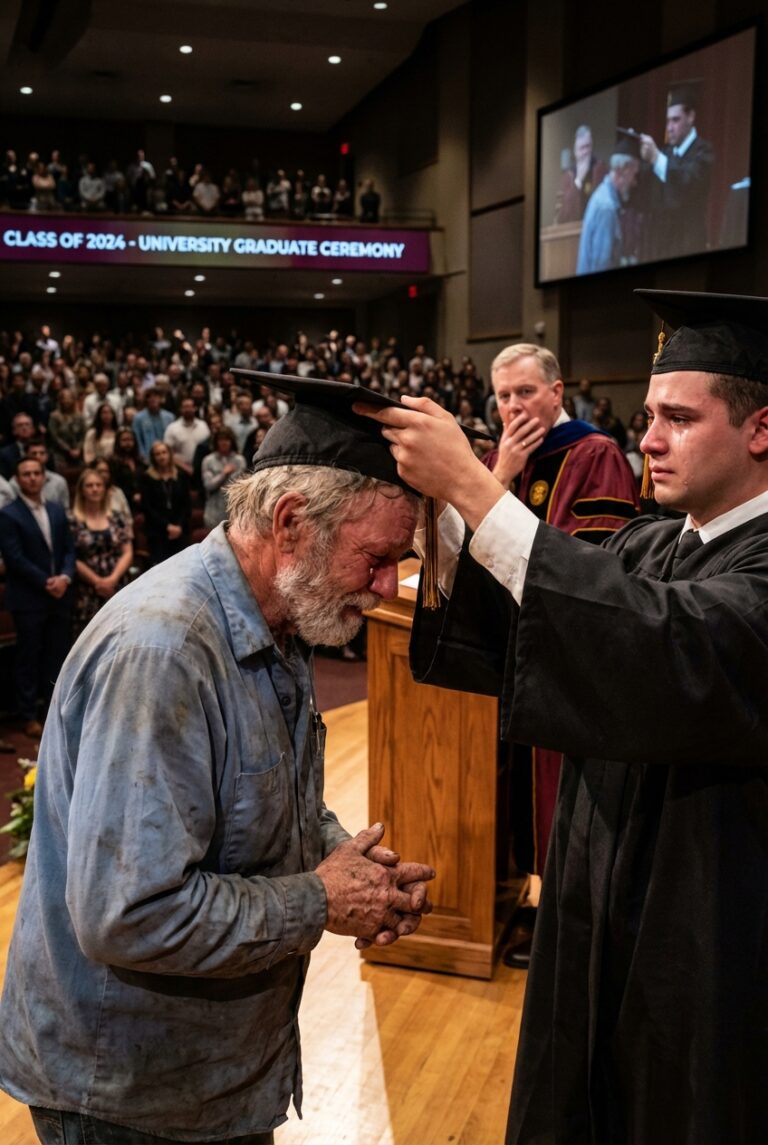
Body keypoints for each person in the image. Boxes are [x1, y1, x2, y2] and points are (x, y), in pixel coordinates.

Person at [356, 288, 768, 1144]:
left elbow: (653, 645)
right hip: (590, 913)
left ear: (761, 429)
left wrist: (474, 483)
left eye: (678, 418)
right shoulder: (656, 542)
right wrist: (450, 506)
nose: (646, 438)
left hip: (703, 927)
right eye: (649, 414)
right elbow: (534, 615)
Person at [0, 377, 434, 1144]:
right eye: (375, 558)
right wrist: (320, 901)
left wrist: (347, 861)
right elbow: (128, 914)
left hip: (211, 1082)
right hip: (130, 1097)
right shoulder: (164, 652)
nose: (383, 586)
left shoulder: (286, 617)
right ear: (291, 521)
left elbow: (254, 798)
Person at [478, 344, 639, 963]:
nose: (514, 406)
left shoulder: (594, 455)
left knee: (560, 788)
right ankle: (540, 901)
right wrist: (504, 470)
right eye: (503, 396)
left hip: (568, 660)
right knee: (524, 791)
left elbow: (589, 567)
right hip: (512, 657)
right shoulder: (500, 459)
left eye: (525, 392)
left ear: (556, 390)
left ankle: (568, 920)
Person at [0, 456, 74, 738]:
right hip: (29, 598)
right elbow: (14, 558)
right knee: (29, 657)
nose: (32, 478)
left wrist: (65, 577)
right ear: (18, 480)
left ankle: (53, 712)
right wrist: (47, 582)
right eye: (26, 474)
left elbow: (69, 549)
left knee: (56, 655)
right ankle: (29, 714)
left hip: (59, 595)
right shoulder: (8, 514)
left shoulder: (55, 509)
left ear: (44, 477)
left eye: (36, 473)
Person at [640, 81, 715, 260]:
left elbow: (685, 183)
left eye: (676, 120)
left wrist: (656, 159)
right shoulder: (665, 152)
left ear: (690, 117)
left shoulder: (704, 152)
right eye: (667, 121)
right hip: (661, 247)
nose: (669, 128)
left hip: (688, 246)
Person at [69, 467, 133, 637]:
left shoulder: (117, 517)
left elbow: (127, 551)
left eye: (98, 485)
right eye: (89, 485)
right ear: (81, 490)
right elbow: (71, 556)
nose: (95, 489)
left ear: (105, 489)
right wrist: (98, 582)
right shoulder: (72, 519)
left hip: (117, 583)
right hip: (87, 588)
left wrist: (112, 579)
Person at [576, 137, 641, 275]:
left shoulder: (602, 195)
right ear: (621, 170)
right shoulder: (607, 208)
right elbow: (601, 267)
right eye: (633, 175)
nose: (634, 182)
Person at [139, 439, 191, 565]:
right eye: (158, 454)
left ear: (169, 454)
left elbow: (186, 505)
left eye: (164, 452)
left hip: (180, 530)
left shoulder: (181, 476)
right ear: (153, 457)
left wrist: (178, 526)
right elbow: (147, 508)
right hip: (158, 532)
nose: (161, 456)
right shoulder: (147, 478)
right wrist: (167, 527)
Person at [554, 124, 607, 223]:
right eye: (582, 148)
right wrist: (578, 180)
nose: (586, 152)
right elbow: (562, 216)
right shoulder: (567, 176)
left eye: (588, 146)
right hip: (573, 230)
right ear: (575, 151)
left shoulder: (600, 169)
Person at [201, 425, 247, 529]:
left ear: (232, 442)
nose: (224, 443)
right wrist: (224, 473)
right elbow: (208, 485)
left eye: (227, 439)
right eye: (221, 440)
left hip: (234, 511)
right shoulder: (208, 461)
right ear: (216, 442)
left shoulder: (240, 460)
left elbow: (238, 486)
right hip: (213, 512)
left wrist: (224, 477)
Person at [10, 440, 70, 508]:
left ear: (47, 456)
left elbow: (65, 509)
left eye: (42, 453)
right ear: (26, 455)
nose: (38, 456)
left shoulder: (59, 481)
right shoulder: (14, 483)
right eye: (34, 453)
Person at [163, 394, 211, 477]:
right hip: (179, 471)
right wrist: (185, 467)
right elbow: (168, 452)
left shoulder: (203, 426)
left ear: (195, 408)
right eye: (185, 407)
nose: (188, 409)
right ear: (180, 409)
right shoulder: (172, 428)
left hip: (201, 471)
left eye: (190, 407)